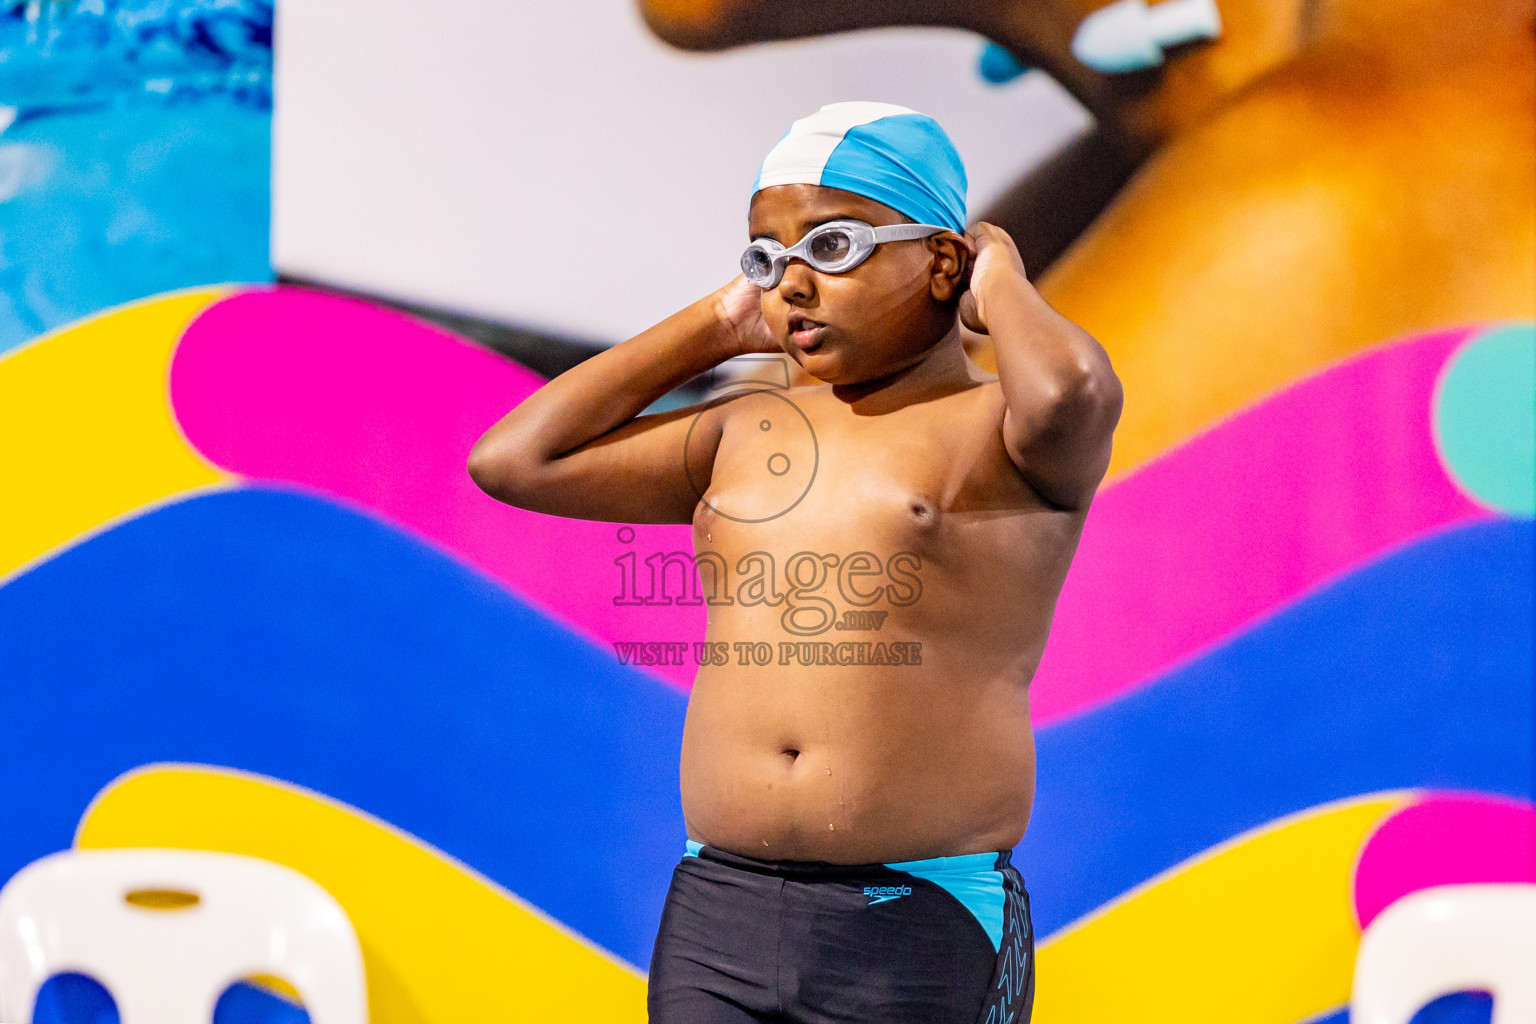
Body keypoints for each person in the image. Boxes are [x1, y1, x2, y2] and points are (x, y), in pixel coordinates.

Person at [467, 101, 1122, 1024]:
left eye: (833, 246)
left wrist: (1002, 280)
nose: (794, 284)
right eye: (768, 260)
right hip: (718, 912)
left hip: (915, 920)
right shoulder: (746, 427)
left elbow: (1075, 390)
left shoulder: (1002, 435)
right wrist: (716, 325)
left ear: (942, 263)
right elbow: (513, 461)